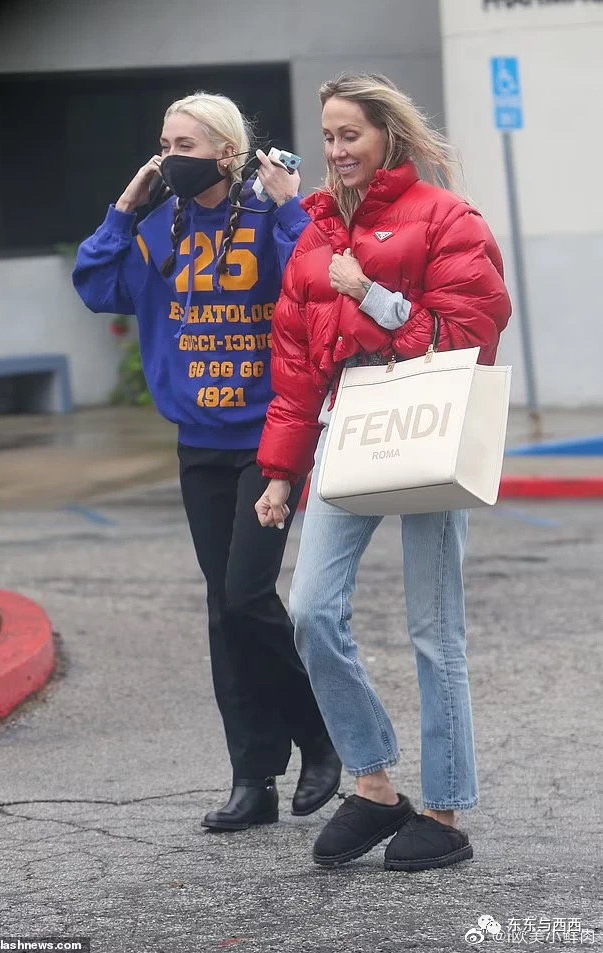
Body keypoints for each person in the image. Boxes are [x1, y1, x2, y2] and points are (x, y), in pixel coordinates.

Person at [255, 73, 511, 870]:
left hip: (428, 418)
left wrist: (371, 295)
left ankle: (444, 810)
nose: (336, 150)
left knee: (435, 629)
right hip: (349, 424)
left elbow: (469, 334)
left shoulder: (445, 217)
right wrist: (280, 473)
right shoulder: (316, 234)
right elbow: (297, 367)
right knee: (310, 610)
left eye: (350, 135)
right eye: (328, 136)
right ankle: (372, 784)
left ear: (387, 136)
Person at [73, 91, 341, 831]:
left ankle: (320, 737)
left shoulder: (267, 217)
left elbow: (317, 282)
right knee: (225, 609)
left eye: (184, 146)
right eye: (164, 145)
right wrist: (125, 207)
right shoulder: (160, 227)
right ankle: (252, 777)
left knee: (247, 593)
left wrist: (289, 207)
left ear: (227, 152)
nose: (169, 158)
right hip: (199, 442)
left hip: (270, 438)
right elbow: (96, 285)